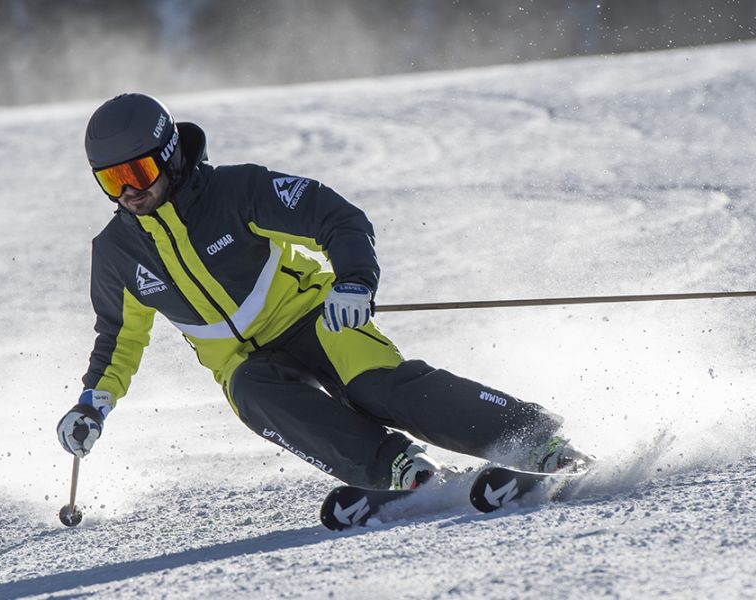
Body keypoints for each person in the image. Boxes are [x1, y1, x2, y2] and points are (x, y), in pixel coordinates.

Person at [57, 93, 592, 491]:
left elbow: (334, 217)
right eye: (111, 181)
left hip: (318, 317)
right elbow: (118, 338)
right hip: (246, 362)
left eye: (139, 170)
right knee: (256, 395)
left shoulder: (235, 191)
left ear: (170, 154)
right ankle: (401, 472)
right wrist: (93, 405)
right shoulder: (116, 254)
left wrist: (354, 282)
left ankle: (533, 438)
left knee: (378, 388)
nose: (130, 191)